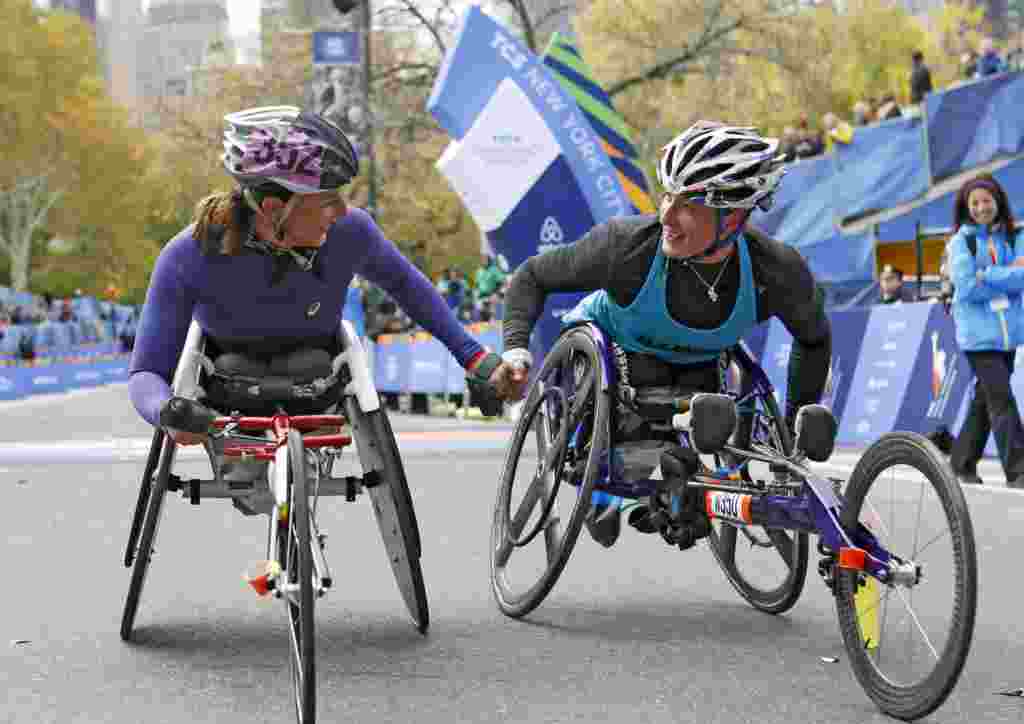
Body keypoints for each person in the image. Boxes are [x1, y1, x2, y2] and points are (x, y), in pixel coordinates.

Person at [129, 105, 525, 505]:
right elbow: (146, 371)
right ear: (272, 209)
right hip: (230, 391)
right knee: (255, 485)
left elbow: (409, 287)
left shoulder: (351, 232)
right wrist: (168, 411)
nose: (340, 211)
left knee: (308, 379)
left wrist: (476, 359)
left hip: (317, 379)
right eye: (327, 200)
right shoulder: (188, 254)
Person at [497, 121, 832, 547]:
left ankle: (674, 481)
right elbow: (531, 277)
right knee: (644, 425)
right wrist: (515, 350)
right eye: (668, 195)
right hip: (611, 352)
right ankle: (610, 481)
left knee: (706, 416)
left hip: (698, 370)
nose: (667, 216)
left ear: (732, 218)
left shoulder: (776, 271)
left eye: (688, 204)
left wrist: (794, 433)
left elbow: (814, 338)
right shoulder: (626, 247)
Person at [946, 175, 1024, 487]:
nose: (981, 208)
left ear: (998, 201)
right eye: (974, 203)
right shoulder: (961, 241)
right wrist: (1004, 278)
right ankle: (1018, 470)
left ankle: (962, 462)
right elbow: (965, 287)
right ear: (966, 208)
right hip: (977, 338)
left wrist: (986, 275)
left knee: (986, 398)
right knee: (1001, 398)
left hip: (1008, 335)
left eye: (986, 201)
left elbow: (1022, 278)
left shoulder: (1014, 235)